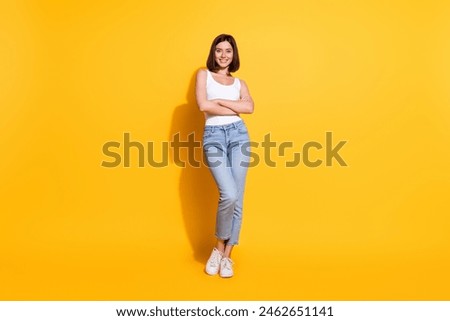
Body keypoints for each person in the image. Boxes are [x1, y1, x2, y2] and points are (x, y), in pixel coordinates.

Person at [195, 34, 254, 278]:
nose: (223, 55)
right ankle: (218, 249)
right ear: (213, 52)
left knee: (238, 199)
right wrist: (231, 105)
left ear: (234, 54)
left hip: (239, 136)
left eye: (228, 51)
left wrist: (217, 100)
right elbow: (202, 105)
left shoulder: (241, 83)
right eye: (219, 50)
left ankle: (226, 255)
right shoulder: (203, 75)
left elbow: (249, 108)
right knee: (228, 194)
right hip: (215, 137)